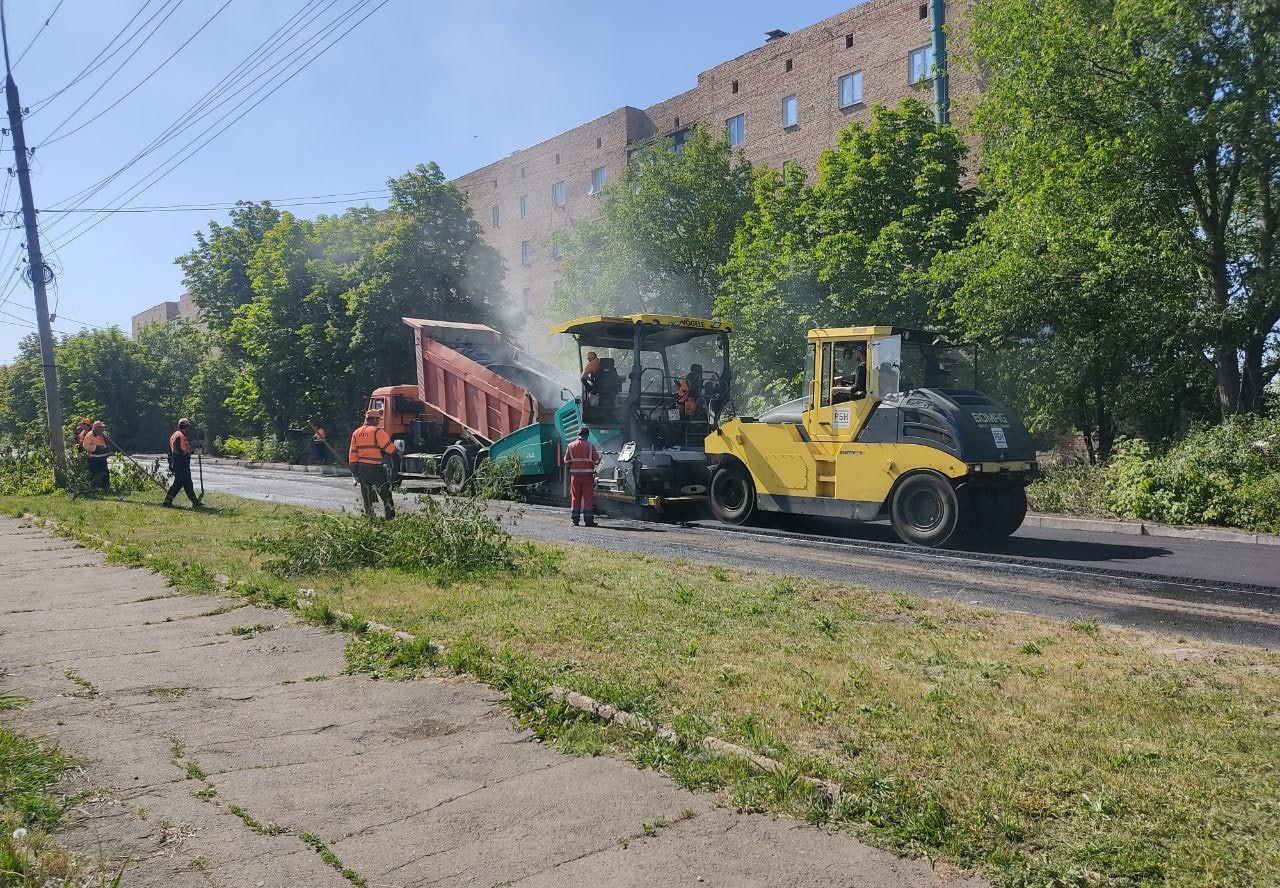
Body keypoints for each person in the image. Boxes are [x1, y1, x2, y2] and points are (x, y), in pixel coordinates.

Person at [348, 410, 396, 519]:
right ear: (374, 419)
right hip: (375, 468)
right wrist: (396, 451)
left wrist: (354, 470)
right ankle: (390, 517)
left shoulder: (356, 433)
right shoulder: (377, 432)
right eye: (378, 419)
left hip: (362, 468)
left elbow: (353, 453)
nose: (379, 421)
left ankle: (370, 516)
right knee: (385, 493)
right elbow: (390, 449)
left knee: (367, 493)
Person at [564, 426, 600, 527]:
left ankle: (574, 520)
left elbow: (566, 461)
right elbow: (596, 461)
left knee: (575, 498)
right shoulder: (590, 446)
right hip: (588, 477)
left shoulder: (570, 446)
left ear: (578, 435)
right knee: (588, 499)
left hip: (575, 477)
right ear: (587, 435)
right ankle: (588, 521)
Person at [163, 418, 202, 509]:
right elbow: (177, 450)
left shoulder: (177, 435)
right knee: (179, 483)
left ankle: (195, 501)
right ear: (186, 427)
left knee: (187, 482)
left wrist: (194, 451)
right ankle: (167, 501)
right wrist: (187, 454)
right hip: (181, 462)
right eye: (188, 427)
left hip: (180, 462)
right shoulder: (179, 435)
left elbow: (182, 449)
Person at [80, 421, 111, 491]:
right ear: (96, 428)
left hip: (102, 458)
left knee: (105, 473)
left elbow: (105, 443)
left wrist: (107, 445)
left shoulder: (102, 434)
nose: (103, 429)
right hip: (94, 458)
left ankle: (105, 488)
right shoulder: (90, 435)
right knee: (95, 473)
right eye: (101, 428)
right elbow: (85, 445)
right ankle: (94, 488)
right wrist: (97, 448)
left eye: (103, 428)